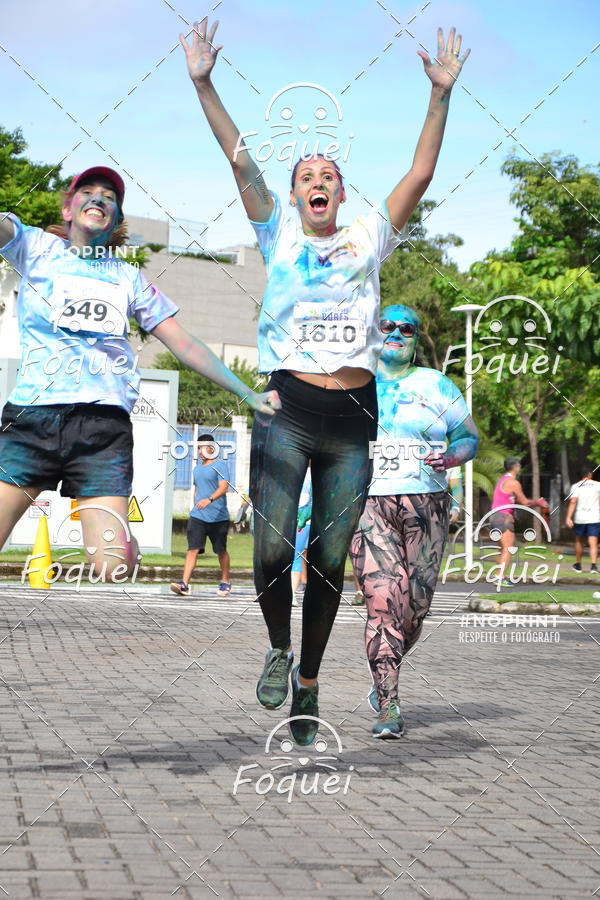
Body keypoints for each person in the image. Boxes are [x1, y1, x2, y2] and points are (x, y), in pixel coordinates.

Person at [181, 18, 470, 745]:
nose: (318, 182)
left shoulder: (367, 236)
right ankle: (278, 645)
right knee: (275, 550)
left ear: (342, 194)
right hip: (287, 405)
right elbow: (235, 154)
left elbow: (421, 175)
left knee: (331, 557)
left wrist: (438, 96)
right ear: (292, 194)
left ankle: (309, 679)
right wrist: (204, 82)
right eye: (306, 177)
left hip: (352, 416)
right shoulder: (275, 231)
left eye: (328, 177)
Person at [0, 167, 277, 577]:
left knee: (110, 567)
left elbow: (184, 344)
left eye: (108, 197)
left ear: (114, 217)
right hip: (32, 418)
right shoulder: (35, 247)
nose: (98, 199)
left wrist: (248, 393)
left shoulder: (129, 277)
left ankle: (125, 545)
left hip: (101, 429)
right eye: (88, 192)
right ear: (68, 209)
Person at [350, 304, 478, 739]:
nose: (397, 333)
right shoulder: (353, 381)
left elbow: (468, 436)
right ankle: (388, 704)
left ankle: (386, 669)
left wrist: (453, 454)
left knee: (415, 607)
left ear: (416, 338)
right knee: (385, 599)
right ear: (375, 330)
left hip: (428, 506)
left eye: (408, 328)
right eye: (389, 325)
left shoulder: (436, 384)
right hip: (369, 503)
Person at [171, 435, 233, 596]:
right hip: (198, 516)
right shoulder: (197, 469)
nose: (199, 451)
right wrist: (197, 505)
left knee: (221, 551)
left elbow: (224, 487)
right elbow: (197, 490)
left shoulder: (221, 465)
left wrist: (209, 500)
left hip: (218, 517)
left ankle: (225, 581)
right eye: (198, 448)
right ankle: (184, 584)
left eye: (202, 447)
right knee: (192, 549)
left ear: (212, 448)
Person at [490, 457, 549, 587]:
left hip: (494, 516)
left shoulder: (502, 480)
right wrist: (537, 503)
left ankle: (500, 575)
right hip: (503, 517)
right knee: (509, 547)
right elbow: (525, 502)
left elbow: (507, 499)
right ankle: (499, 577)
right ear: (516, 467)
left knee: (502, 548)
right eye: (519, 466)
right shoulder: (513, 482)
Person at [565, 465, 600, 574]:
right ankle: (593, 566)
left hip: (580, 517)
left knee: (579, 541)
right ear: (590, 474)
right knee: (593, 541)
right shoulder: (598, 485)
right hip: (594, 516)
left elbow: (573, 502)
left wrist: (568, 517)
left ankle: (578, 565)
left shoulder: (576, 486)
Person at [291, 469, 312, 602]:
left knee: (296, 554)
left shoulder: (312, 473)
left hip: (303, 519)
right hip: (290, 516)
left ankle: (291, 593)